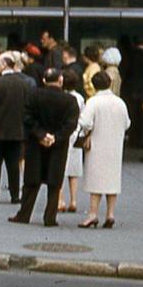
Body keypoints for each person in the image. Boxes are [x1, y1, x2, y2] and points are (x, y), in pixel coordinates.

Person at [9, 68, 80, 227]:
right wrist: (55, 137)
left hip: (35, 144)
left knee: (31, 181)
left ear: (44, 80)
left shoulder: (33, 96)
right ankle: (50, 218)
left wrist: (41, 135)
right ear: (60, 80)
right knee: (54, 183)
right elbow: (71, 124)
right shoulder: (69, 100)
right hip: (58, 146)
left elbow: (27, 118)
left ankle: (24, 214)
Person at [76, 70, 130, 229]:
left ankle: (93, 214)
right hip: (115, 145)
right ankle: (110, 214)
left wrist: (87, 133)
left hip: (97, 143)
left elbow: (85, 122)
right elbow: (127, 123)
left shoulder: (93, 102)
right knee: (112, 179)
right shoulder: (120, 102)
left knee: (96, 179)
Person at [0, 52, 29, 204]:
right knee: (14, 164)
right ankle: (15, 195)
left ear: (4, 65)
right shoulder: (23, 84)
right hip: (17, 129)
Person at [56, 71, 86, 213]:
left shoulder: (61, 97)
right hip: (76, 134)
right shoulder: (79, 97)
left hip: (62, 134)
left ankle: (60, 200)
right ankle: (73, 200)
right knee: (74, 170)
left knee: (60, 167)